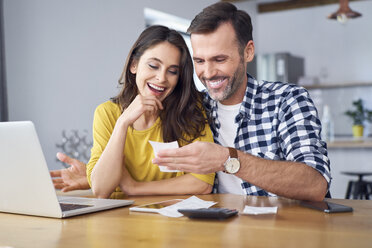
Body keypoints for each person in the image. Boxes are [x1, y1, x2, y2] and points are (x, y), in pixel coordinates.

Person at [52, 2, 331, 202]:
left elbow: (315, 184)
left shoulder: (287, 100)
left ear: (248, 52)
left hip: (288, 230)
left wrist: (227, 159)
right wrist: (94, 178)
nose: (208, 73)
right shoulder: (193, 107)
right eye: (199, 61)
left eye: (219, 59)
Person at [52, 25, 215, 198]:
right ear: (134, 65)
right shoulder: (107, 113)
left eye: (172, 71)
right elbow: (101, 189)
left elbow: (202, 183)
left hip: (171, 220)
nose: (161, 78)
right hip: (120, 220)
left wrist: (135, 188)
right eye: (153, 66)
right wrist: (123, 123)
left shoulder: (188, 111)